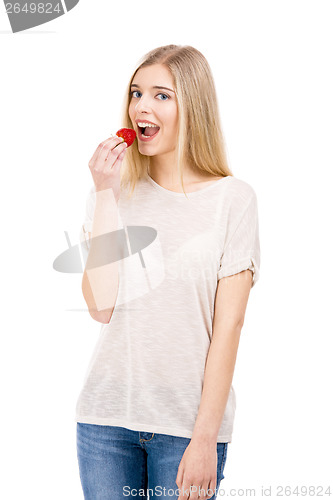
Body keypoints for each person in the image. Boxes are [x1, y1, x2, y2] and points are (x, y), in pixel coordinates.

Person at [75, 44, 260, 500]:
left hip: (186, 430)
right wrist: (105, 196)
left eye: (162, 95)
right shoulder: (114, 192)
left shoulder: (232, 200)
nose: (141, 106)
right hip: (104, 423)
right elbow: (101, 307)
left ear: (192, 106)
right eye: (137, 93)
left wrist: (205, 438)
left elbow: (229, 328)